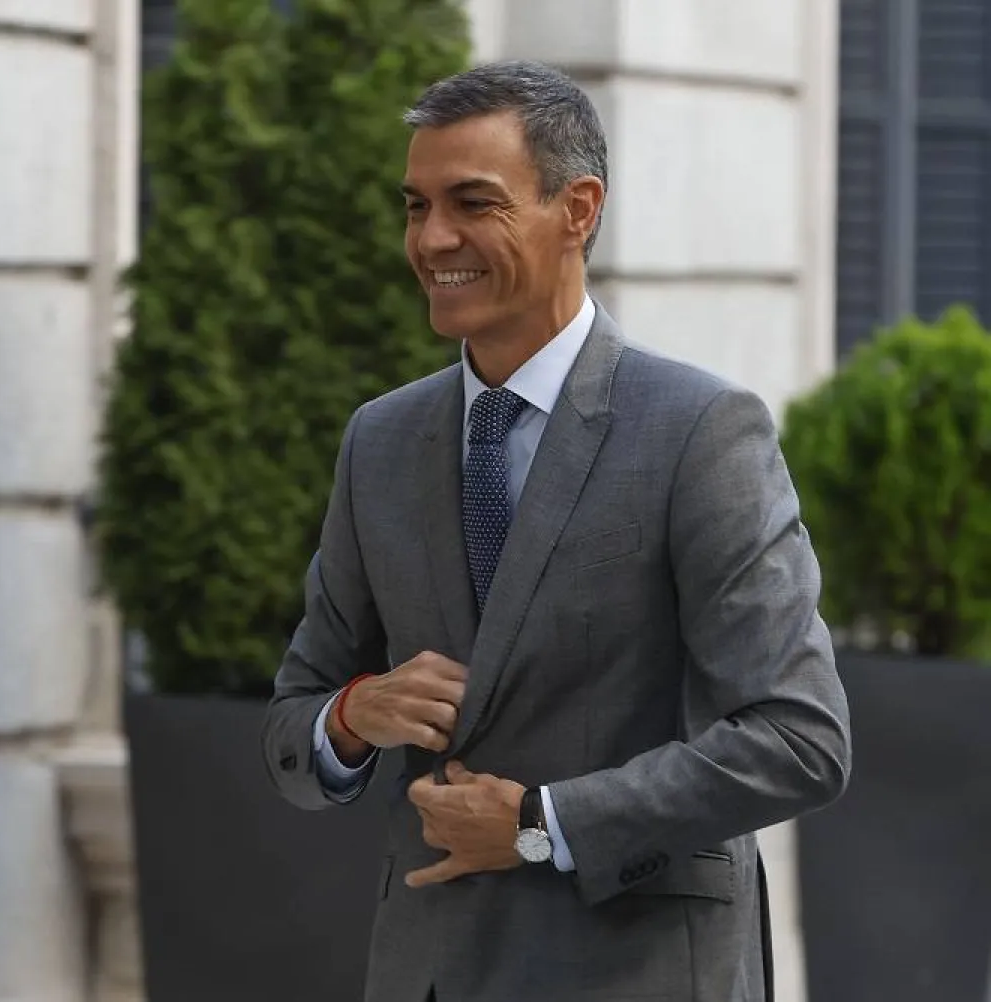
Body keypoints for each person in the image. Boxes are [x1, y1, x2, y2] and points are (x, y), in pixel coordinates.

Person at [261, 60, 850, 1002]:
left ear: (577, 209)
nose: (432, 237)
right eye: (415, 205)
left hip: (641, 973)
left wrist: (543, 822)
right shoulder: (380, 440)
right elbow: (297, 720)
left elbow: (799, 739)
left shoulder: (700, 431)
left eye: (471, 202)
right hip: (432, 969)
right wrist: (352, 717)